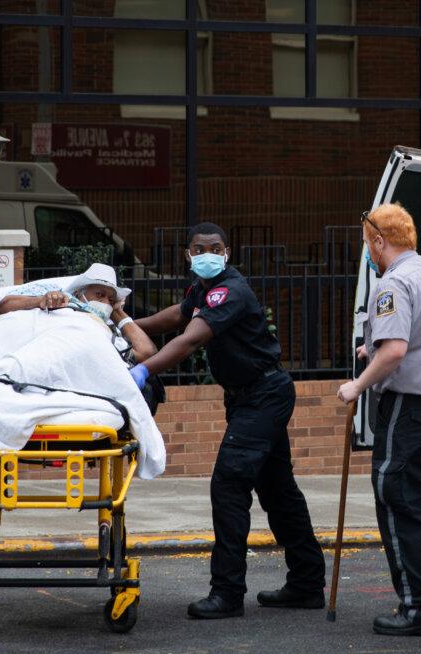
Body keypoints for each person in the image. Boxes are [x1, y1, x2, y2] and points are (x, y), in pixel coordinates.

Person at [133, 222, 326, 619]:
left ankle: (227, 593)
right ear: (188, 255)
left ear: (227, 252)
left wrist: (142, 372)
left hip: (263, 396)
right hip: (250, 398)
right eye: (199, 248)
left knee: (229, 485)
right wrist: (129, 325)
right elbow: (177, 316)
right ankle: (307, 585)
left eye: (215, 248)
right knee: (278, 490)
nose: (207, 254)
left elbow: (190, 338)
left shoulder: (229, 290)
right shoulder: (202, 289)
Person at [336, 203, 421, 638]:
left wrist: (358, 385)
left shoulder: (391, 284)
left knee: (398, 496)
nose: (367, 253)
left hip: (412, 409)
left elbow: (396, 351)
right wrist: (372, 351)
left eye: (367, 244)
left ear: (379, 240)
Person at [0, 263, 157, 364]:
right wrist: (40, 301)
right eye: (99, 295)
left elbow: (147, 353)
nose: (105, 303)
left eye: (111, 299)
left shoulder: (107, 329)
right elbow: (4, 306)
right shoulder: (59, 304)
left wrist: (117, 312)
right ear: (80, 293)